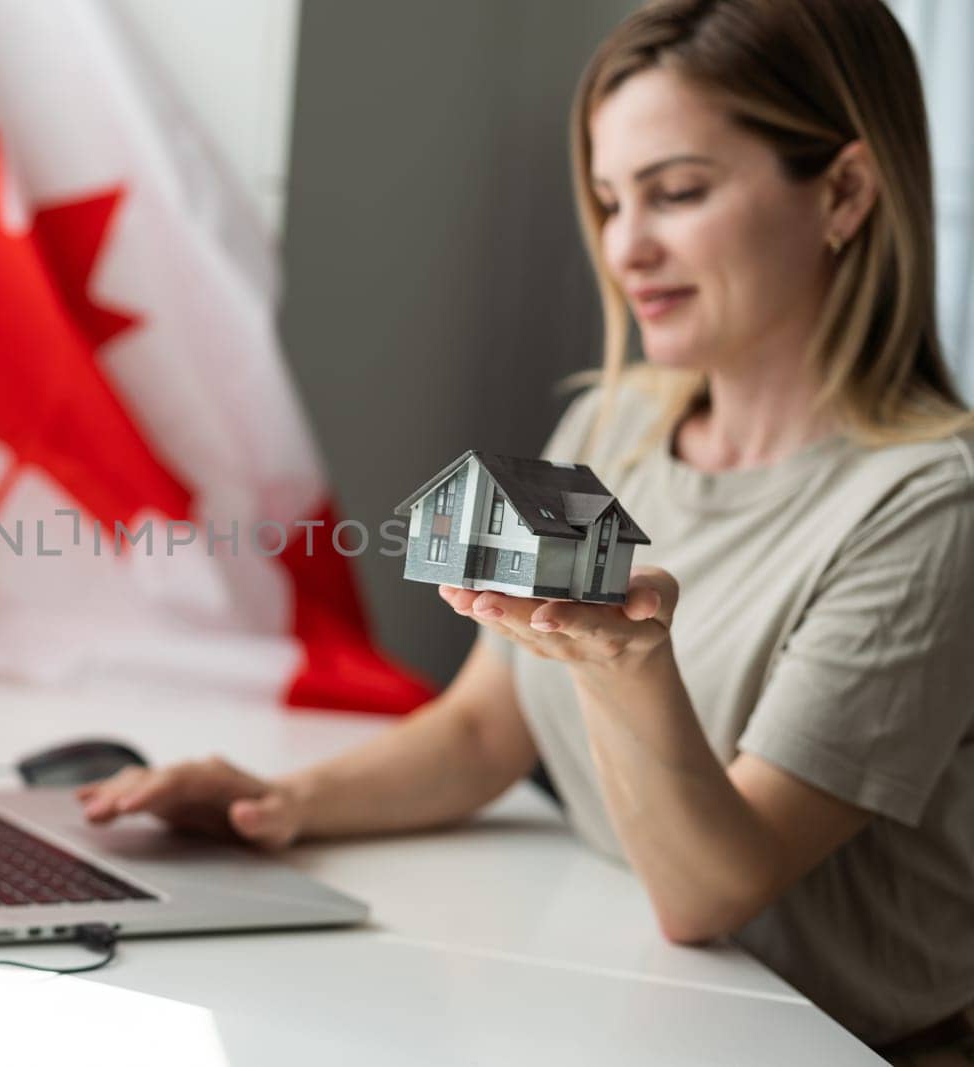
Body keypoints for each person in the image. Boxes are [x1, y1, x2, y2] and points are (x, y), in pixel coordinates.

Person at [74, 0, 974, 1059]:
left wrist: (625, 665)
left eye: (678, 192)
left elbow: (708, 892)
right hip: (635, 1001)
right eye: (607, 198)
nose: (625, 245)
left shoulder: (930, 504)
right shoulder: (615, 421)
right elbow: (482, 729)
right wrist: (273, 802)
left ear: (845, 191)